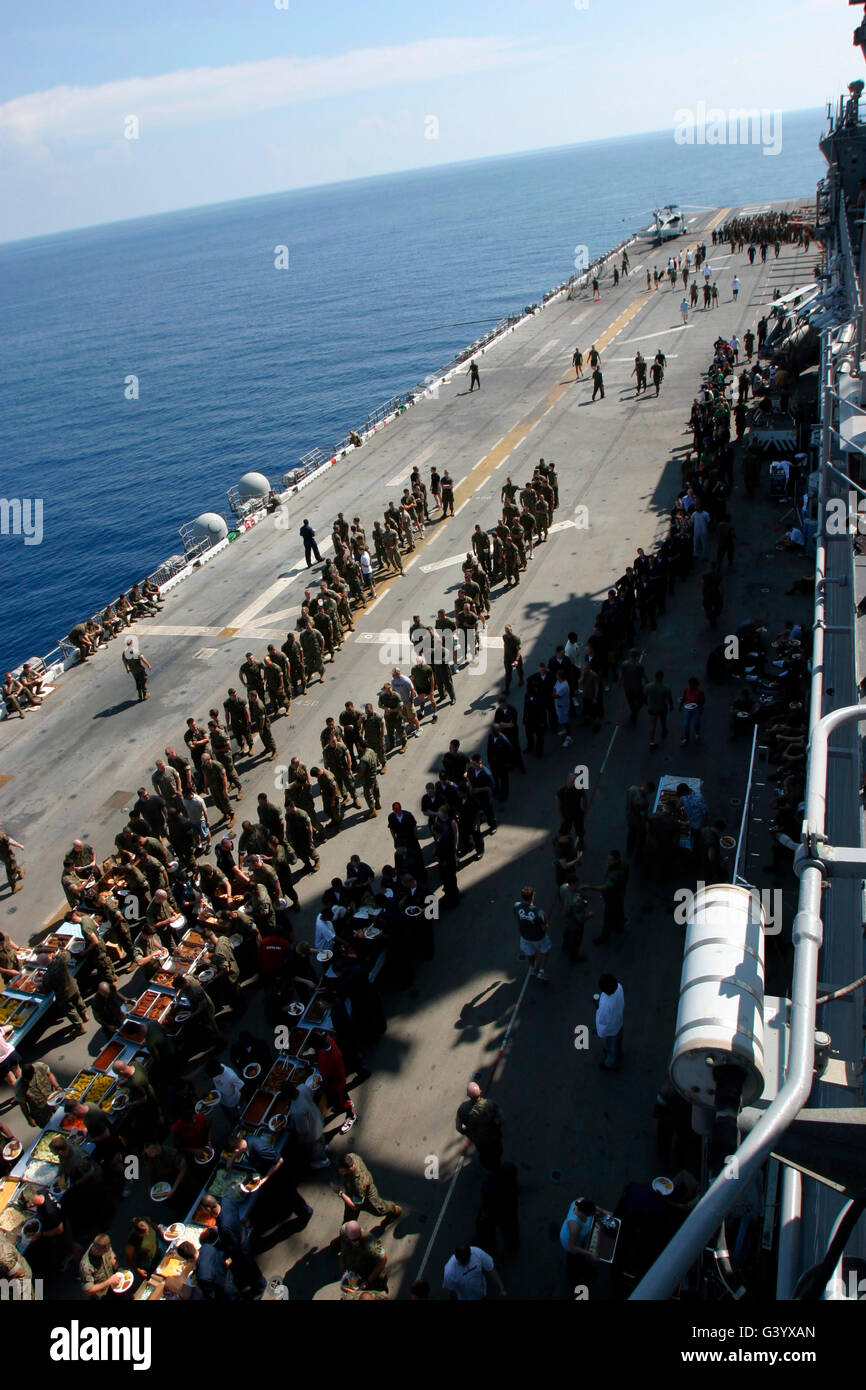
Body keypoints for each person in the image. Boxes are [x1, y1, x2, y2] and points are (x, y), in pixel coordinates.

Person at [332, 1152, 403, 1225]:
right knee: (348, 1219)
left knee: (380, 1210)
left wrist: (340, 1193)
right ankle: (348, 1231)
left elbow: (354, 1206)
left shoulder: (359, 1184)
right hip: (351, 1188)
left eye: (341, 1170)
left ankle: (394, 1210)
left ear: (350, 1169)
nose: (339, 1171)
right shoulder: (352, 1157)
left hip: (367, 1198)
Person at [455, 1081, 504, 1170]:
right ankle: (497, 1164)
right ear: (480, 1091)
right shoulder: (490, 1104)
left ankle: (488, 1167)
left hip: (478, 1140)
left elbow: (458, 1127)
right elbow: (501, 1119)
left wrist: (466, 1132)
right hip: (493, 1136)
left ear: (468, 1095)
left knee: (484, 1154)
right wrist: (497, 1126)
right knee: (497, 1150)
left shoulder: (463, 1109)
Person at [585, 850, 629, 945]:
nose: (607, 862)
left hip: (612, 898)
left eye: (610, 860)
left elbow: (604, 887)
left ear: (616, 860)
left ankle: (605, 937)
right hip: (620, 894)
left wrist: (589, 887)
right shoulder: (624, 865)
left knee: (607, 918)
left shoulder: (615, 874)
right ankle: (619, 927)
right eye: (608, 859)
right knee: (619, 910)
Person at [513, 883, 552, 980]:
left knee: (529, 953)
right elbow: (545, 928)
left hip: (525, 936)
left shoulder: (517, 906)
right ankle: (541, 971)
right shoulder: (538, 912)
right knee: (545, 951)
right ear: (533, 896)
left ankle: (533, 968)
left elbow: (517, 918)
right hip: (539, 937)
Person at [595, 973, 625, 1071]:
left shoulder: (605, 1003)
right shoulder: (619, 987)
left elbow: (603, 1020)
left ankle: (610, 1063)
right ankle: (618, 1052)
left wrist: (597, 1005)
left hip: (610, 1029)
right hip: (618, 1021)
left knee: (611, 1044)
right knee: (618, 1040)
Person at [646, 669, 674, 750]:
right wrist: (671, 706)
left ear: (655, 677)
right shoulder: (666, 688)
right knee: (663, 721)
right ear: (662, 677)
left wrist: (646, 703)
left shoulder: (648, 686)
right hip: (662, 708)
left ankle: (651, 742)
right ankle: (664, 730)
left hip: (652, 709)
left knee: (652, 725)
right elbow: (669, 699)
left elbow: (645, 696)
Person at [679, 675, 706, 746]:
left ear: (696, 685)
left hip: (696, 709)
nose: (691, 686)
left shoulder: (700, 692)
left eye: (693, 685)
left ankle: (697, 733)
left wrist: (697, 704)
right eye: (690, 684)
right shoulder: (686, 690)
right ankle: (686, 738)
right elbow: (684, 698)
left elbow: (703, 702)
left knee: (696, 723)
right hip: (687, 708)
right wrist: (680, 706)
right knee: (686, 724)